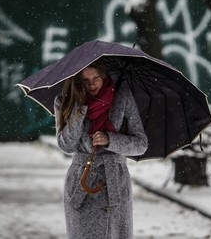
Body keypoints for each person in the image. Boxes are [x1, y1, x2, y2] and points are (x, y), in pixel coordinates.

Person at [54, 59, 148, 239]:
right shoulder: (65, 101)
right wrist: (79, 110)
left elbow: (141, 144)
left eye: (96, 77)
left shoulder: (122, 97)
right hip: (82, 185)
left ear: (103, 75)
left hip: (116, 185)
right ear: (77, 82)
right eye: (85, 80)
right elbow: (66, 145)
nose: (92, 84)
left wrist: (110, 140)